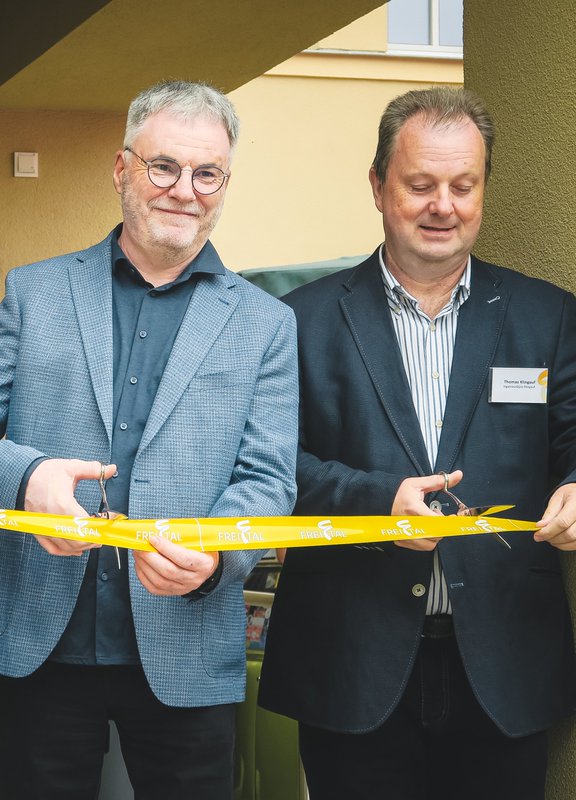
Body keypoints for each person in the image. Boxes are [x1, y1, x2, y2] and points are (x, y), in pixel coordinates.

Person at [0, 80, 298, 799]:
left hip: (186, 645)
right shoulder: (36, 293)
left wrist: (216, 552)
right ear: (121, 169)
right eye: (164, 166)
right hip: (42, 642)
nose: (184, 190)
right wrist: (28, 478)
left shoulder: (265, 324)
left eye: (207, 174)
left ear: (225, 182)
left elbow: (269, 478)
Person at [259, 87, 576, 800]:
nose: (444, 206)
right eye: (421, 184)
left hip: (506, 666)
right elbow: (270, 467)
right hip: (349, 663)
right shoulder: (296, 322)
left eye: (463, 186)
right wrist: (378, 500)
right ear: (378, 186)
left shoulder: (548, 318)